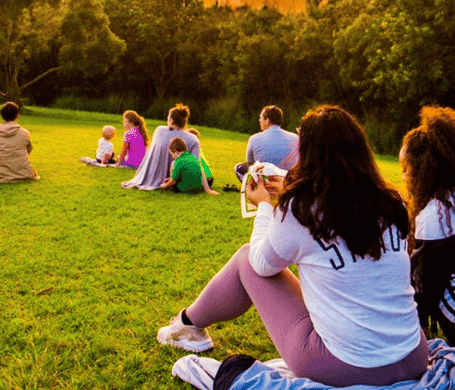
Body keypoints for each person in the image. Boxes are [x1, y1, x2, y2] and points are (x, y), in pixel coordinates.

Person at [157, 105, 428, 388]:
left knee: (246, 258)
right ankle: (188, 325)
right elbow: (343, 200)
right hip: (414, 355)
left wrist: (264, 207)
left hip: (349, 366)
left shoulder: (304, 211)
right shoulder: (393, 202)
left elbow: (261, 264)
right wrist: (288, 184)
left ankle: (187, 326)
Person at [401, 105, 455, 343]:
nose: (403, 177)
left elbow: (424, 294)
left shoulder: (434, 217)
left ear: (423, 171)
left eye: (405, 170)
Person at [122, 104, 200, 190]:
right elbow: (196, 166)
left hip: (159, 176)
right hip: (182, 180)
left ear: (171, 120)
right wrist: (207, 189)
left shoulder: (160, 130)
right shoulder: (193, 139)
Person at [235, 105, 299, 182]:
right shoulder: (295, 138)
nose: (259, 120)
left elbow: (250, 164)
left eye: (260, 118)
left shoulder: (254, 139)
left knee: (238, 167)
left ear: (267, 121)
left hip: (264, 182)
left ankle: (250, 187)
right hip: (287, 181)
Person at [0, 101, 38, 182]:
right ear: (17, 115)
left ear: (2, 116)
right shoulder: (25, 133)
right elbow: (29, 149)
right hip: (24, 173)